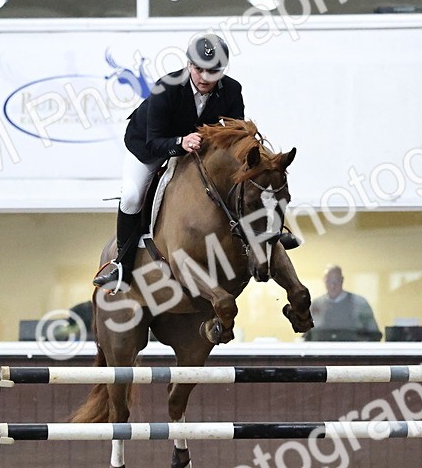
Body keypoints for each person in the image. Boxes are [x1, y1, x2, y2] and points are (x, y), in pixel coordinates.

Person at [92, 32, 298, 290]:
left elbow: (239, 137)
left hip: (198, 148)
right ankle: (122, 265)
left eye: (212, 72)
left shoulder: (232, 90)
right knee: (133, 196)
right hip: (150, 146)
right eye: (198, 69)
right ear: (189, 65)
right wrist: (180, 143)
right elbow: (154, 140)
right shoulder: (166, 87)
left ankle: (275, 231)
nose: (204, 77)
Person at [306, 265, 381, 341]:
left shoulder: (360, 304)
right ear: (324, 281)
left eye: (336, 281)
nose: (333, 285)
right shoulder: (315, 305)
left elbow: (374, 334)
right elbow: (307, 336)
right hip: (322, 352)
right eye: (329, 281)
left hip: (353, 351)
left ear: (342, 280)